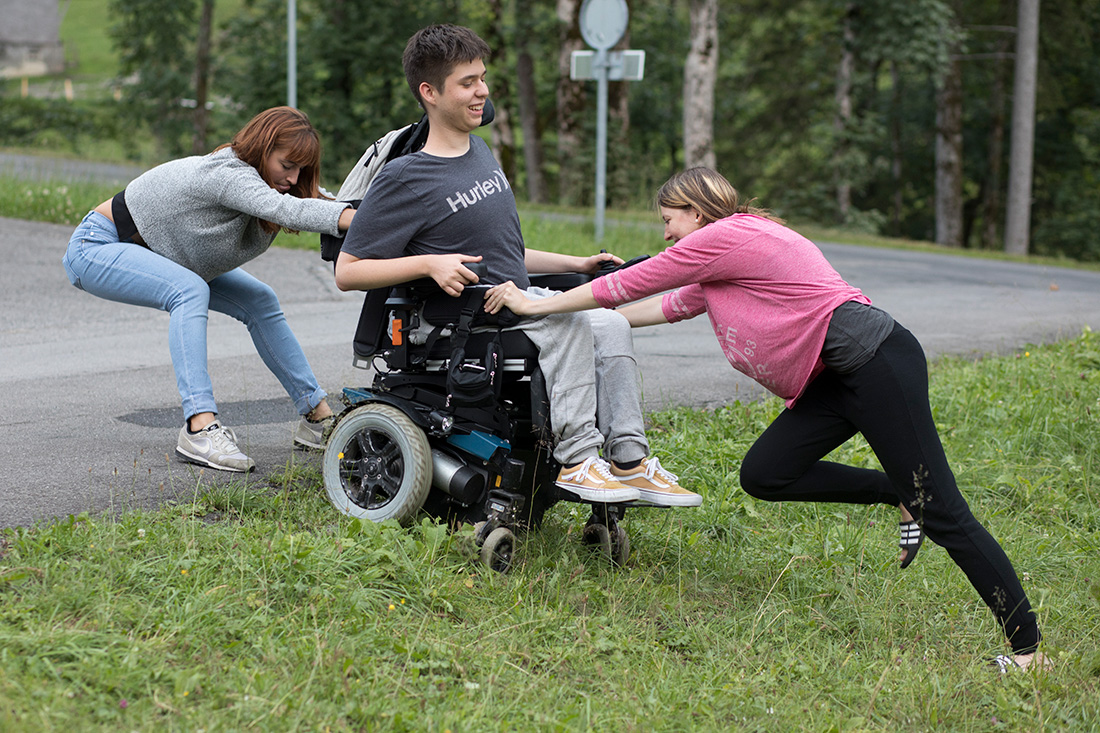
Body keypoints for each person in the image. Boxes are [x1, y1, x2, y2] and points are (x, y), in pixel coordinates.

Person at [484, 166, 1046, 670]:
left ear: (697, 213)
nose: (665, 233)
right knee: (767, 473)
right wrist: (580, 326)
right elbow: (657, 306)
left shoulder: (730, 236)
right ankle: (896, 493)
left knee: (946, 513)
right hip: (832, 381)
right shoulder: (722, 262)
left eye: (669, 220)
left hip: (878, 365)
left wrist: (536, 303)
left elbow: (633, 282)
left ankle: (1028, 652)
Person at [334, 24, 699, 508]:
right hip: (469, 315)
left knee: (610, 323)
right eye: (467, 82)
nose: (482, 90)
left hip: (515, 301)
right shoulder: (406, 176)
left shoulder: (480, 153)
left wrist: (577, 262)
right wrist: (428, 263)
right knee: (569, 319)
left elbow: (503, 251)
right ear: (430, 92)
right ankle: (578, 460)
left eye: (482, 78)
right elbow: (348, 269)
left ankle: (629, 462)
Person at [62, 106, 355, 473]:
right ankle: (199, 427)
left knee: (259, 300)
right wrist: (356, 220)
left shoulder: (272, 182)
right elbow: (288, 210)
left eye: (301, 170)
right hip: (98, 246)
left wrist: (379, 215)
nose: (293, 179)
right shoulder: (227, 172)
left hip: (166, 255)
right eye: (286, 165)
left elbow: (318, 201)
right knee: (188, 290)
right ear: (263, 149)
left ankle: (317, 419)